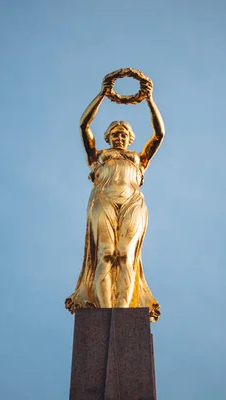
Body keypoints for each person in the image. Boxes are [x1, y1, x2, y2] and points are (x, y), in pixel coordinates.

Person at [65, 76, 164, 322]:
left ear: (130, 139)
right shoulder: (98, 156)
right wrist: (101, 94)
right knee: (106, 254)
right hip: (103, 201)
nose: (119, 137)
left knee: (126, 255)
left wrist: (149, 100)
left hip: (132, 203)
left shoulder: (139, 159)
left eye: (124, 134)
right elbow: (83, 126)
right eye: (115, 134)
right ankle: (104, 313)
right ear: (108, 138)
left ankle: (123, 316)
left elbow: (159, 134)